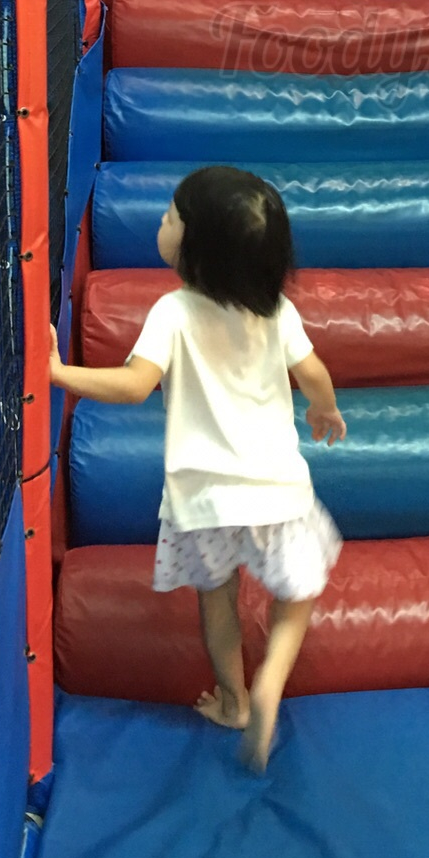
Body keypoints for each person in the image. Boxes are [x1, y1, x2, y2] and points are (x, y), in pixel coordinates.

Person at [49, 165, 347, 771]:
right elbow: (314, 373)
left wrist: (57, 373)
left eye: (170, 217)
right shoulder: (276, 310)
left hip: (202, 500)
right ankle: (270, 682)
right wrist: (326, 409)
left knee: (217, 600)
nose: (161, 222)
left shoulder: (173, 311)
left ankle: (234, 701)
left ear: (197, 248)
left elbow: (135, 386)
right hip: (275, 490)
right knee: (298, 594)